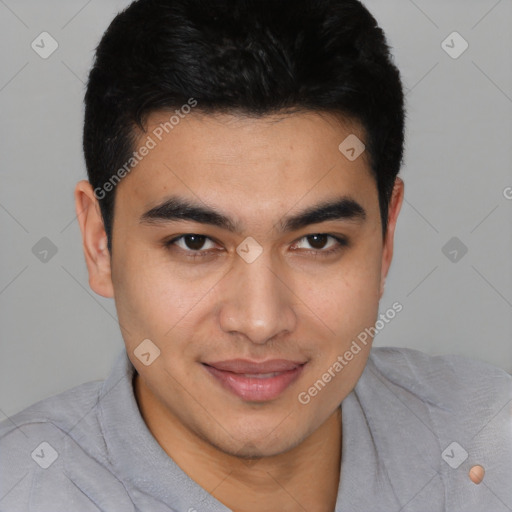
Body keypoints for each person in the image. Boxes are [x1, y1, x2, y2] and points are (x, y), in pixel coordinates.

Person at [1, 0, 510, 510]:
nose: (261, 321)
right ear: (99, 243)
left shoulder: (491, 445)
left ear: (386, 238)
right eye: (195, 242)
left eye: (317, 241)